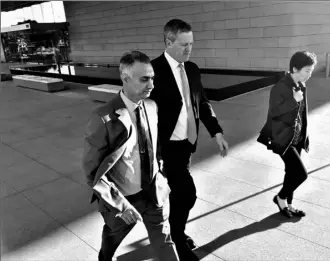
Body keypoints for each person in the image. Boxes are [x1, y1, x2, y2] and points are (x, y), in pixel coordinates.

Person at [82, 51, 179, 261]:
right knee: (112, 237)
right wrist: (120, 204)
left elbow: (156, 148)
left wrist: (161, 176)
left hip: (154, 193)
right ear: (125, 78)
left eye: (152, 78)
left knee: (164, 242)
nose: (151, 85)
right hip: (123, 198)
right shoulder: (103, 117)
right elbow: (92, 172)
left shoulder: (152, 107)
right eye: (144, 79)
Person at [150, 19, 229, 260]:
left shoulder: (192, 69)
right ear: (168, 42)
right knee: (187, 193)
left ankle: (175, 232)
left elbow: (201, 103)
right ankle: (178, 240)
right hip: (166, 147)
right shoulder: (153, 70)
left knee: (178, 193)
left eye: (191, 44)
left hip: (187, 144)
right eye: (184, 44)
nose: (189, 49)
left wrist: (216, 132)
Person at [257, 51, 317, 218]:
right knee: (300, 174)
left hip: (296, 137)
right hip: (282, 137)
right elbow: (274, 112)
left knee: (291, 172)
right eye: (307, 71)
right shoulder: (280, 87)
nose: (309, 74)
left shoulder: (302, 86)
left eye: (311, 70)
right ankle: (280, 198)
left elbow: (302, 114)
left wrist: (304, 136)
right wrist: (294, 100)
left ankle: (289, 205)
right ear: (295, 68)